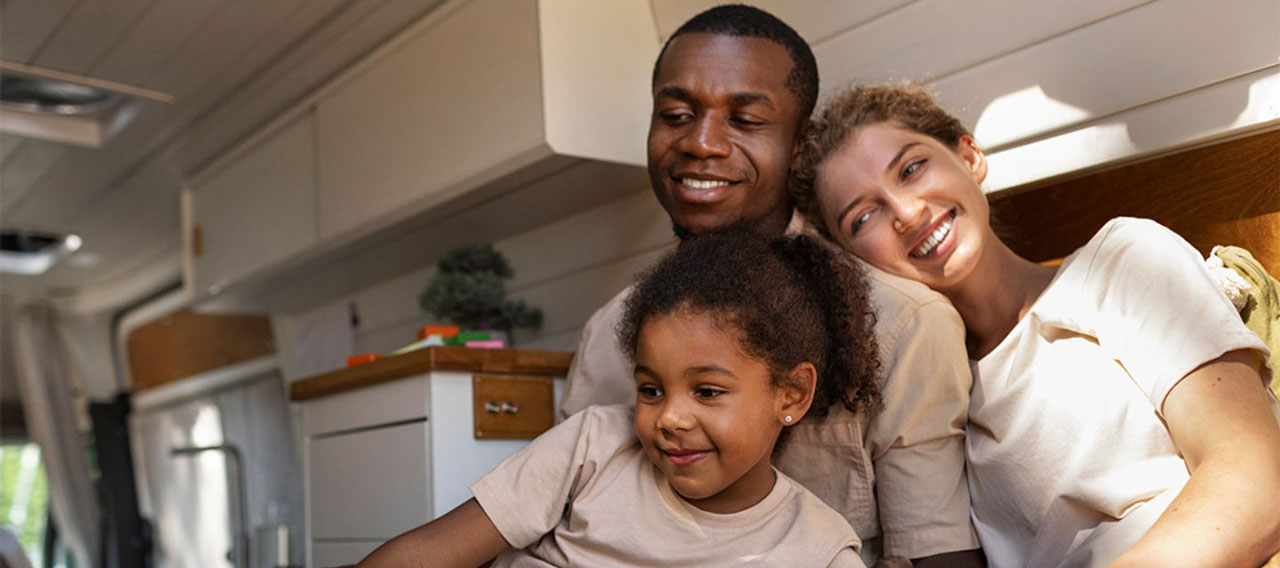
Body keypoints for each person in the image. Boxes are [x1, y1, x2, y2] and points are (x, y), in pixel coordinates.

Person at [559, 6, 984, 566]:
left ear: (801, 145)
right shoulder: (604, 338)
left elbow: (937, 555)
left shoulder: (901, 325)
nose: (701, 143)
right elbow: (559, 523)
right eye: (677, 114)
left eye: (746, 120)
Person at [791, 83, 1280, 567]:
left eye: (912, 168)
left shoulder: (1120, 262)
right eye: (862, 218)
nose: (906, 211)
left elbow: (1259, 480)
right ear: (851, 266)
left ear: (970, 156)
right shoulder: (926, 398)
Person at [358, 228, 881, 567]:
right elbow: (433, 551)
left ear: (791, 394)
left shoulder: (819, 550)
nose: (669, 417)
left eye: (707, 391)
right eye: (651, 389)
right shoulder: (596, 444)